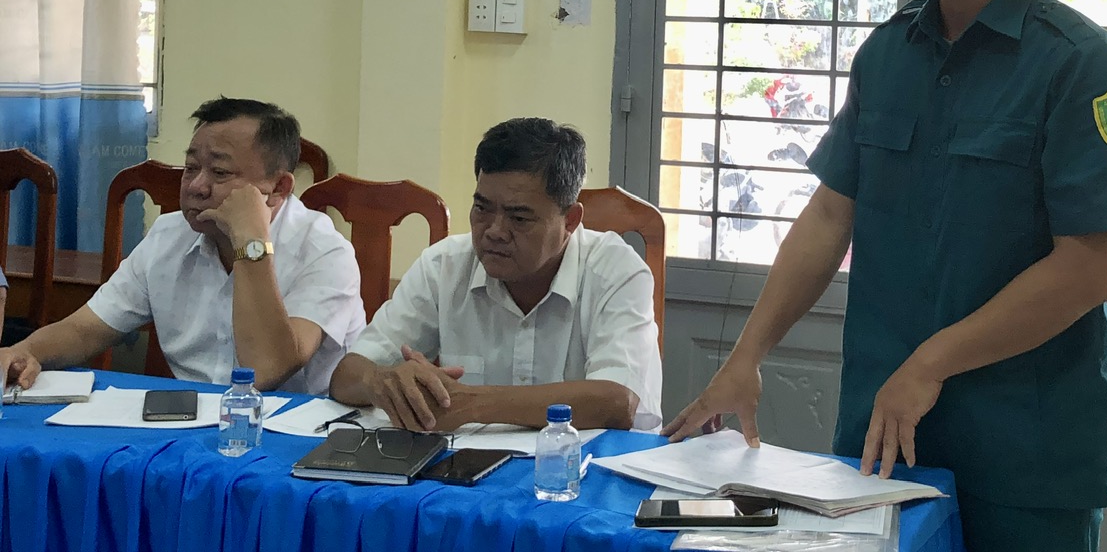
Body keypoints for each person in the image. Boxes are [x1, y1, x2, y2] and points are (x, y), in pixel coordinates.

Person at [665, 0, 1107, 552]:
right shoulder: (888, 54)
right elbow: (829, 215)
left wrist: (931, 362)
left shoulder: (1081, 66)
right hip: (886, 433)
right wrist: (746, 357)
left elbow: (1088, 266)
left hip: (1027, 448)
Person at [0, 97, 365, 395]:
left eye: (219, 173)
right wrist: (23, 351)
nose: (196, 186)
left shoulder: (323, 250)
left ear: (279, 188)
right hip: (191, 426)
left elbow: (265, 370)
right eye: (191, 168)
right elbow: (87, 329)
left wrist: (250, 242)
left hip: (296, 435)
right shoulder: (168, 235)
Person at [329, 117, 663, 432]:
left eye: (519, 218)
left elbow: (616, 401)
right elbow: (346, 375)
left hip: (587, 467)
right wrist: (381, 382)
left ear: (571, 221)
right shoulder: (444, 266)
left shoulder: (616, 270)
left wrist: (470, 404)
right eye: (482, 208)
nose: (494, 231)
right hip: (468, 466)